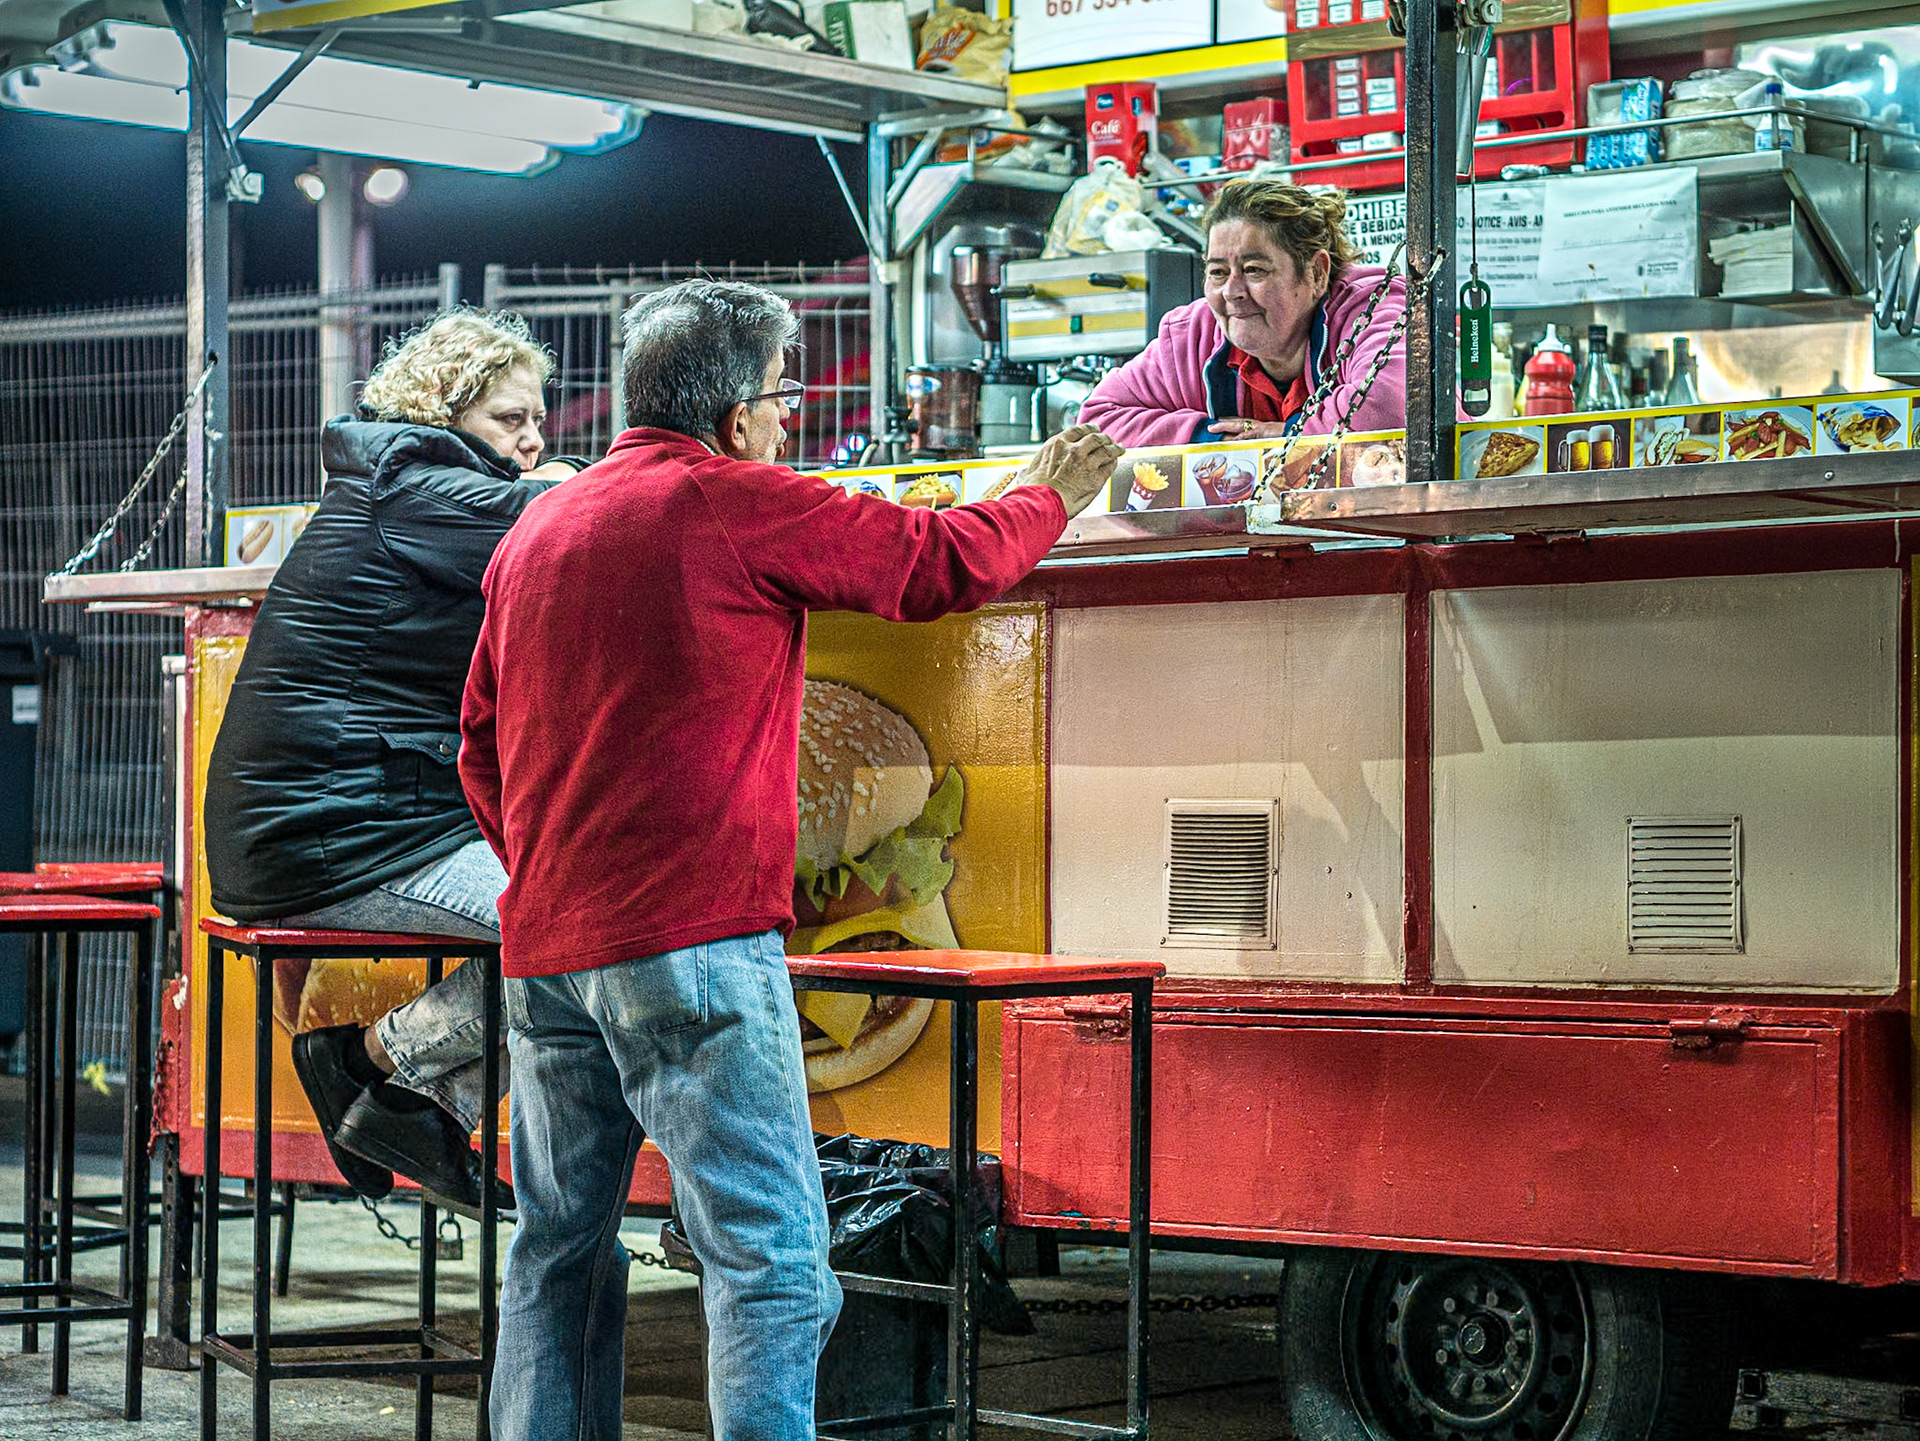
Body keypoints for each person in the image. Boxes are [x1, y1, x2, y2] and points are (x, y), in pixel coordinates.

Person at [461, 279, 1120, 1441]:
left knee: (557, 1250)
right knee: (773, 1262)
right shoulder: (733, 500)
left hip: (545, 946)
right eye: (780, 399)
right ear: (729, 415)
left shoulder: (538, 529)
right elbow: (940, 564)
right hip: (693, 946)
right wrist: (1048, 495)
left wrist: (552, 862)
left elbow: (477, 741)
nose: (786, 424)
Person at [204, 309, 582, 1211]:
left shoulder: (404, 485)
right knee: (575, 934)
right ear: (445, 412)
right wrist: (570, 481)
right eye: (508, 421)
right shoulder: (414, 486)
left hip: (364, 815)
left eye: (539, 421)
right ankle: (375, 1064)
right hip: (331, 832)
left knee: (580, 925)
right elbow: (553, 522)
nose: (531, 442)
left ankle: (406, 1097)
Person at [1079, 177, 1409, 446]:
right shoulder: (1193, 334)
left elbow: (1390, 404)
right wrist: (1211, 440)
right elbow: (1097, 422)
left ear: (1316, 274)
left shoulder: (1372, 307)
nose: (1232, 292)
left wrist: (1287, 436)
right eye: (1218, 272)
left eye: (1254, 270)